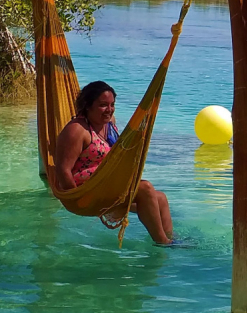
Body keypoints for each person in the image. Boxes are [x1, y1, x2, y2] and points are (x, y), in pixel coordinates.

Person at [55, 80, 176, 246]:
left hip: (106, 189)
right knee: (145, 188)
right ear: (87, 105)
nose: (109, 110)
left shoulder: (109, 126)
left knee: (160, 198)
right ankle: (162, 242)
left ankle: (171, 239)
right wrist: (77, 200)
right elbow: (63, 170)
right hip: (86, 193)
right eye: (103, 105)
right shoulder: (77, 130)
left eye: (112, 104)